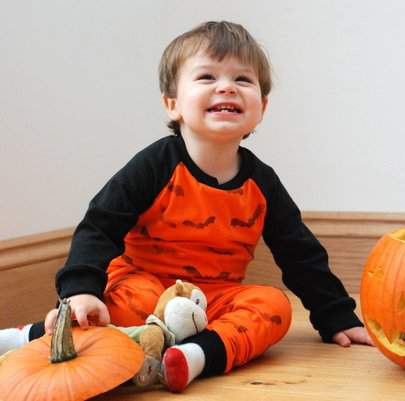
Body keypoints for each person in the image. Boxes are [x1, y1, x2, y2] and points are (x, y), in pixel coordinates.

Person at [0, 20, 373, 392]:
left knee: (274, 305)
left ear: (262, 107)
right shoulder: (156, 164)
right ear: (173, 104)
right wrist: (81, 290)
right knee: (130, 301)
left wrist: (336, 316)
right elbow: (100, 225)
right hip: (140, 283)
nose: (226, 86)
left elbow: (300, 253)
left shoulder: (263, 183)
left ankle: (194, 356)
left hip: (209, 297)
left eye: (243, 80)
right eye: (207, 77)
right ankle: (36, 336)